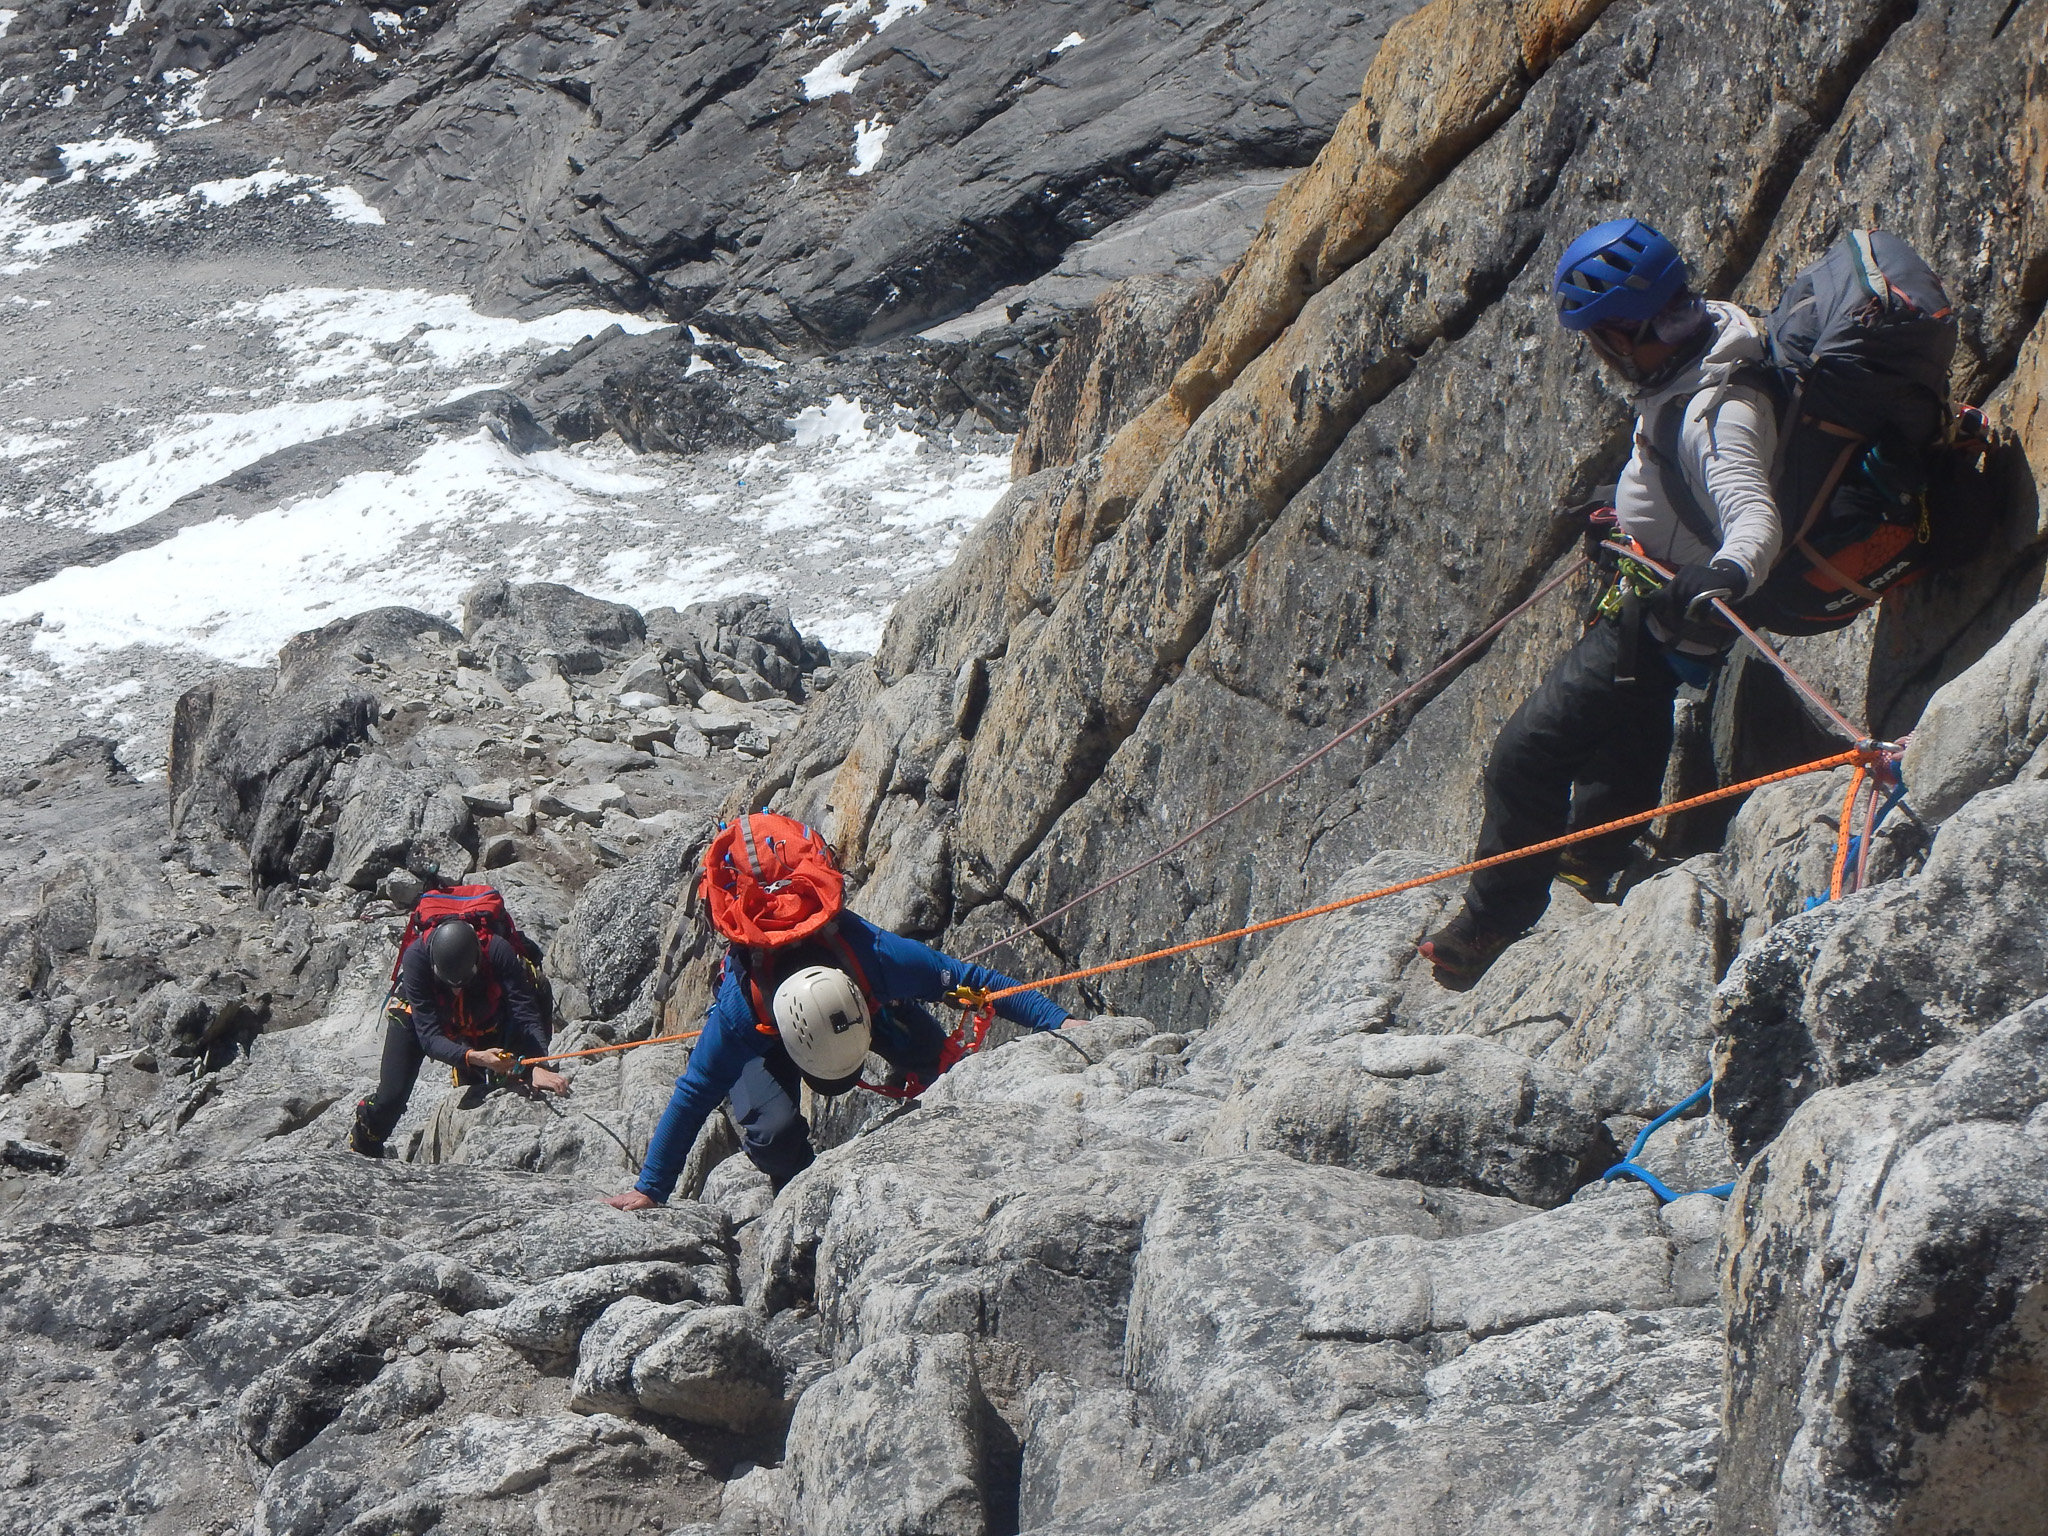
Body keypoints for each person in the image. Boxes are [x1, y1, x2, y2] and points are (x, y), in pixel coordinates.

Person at [1419, 218, 1780, 984]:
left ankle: (1492, 922)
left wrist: (1721, 575)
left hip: (1666, 610)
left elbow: (1751, 514)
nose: (1598, 355)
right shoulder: (1701, 349)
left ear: (1625, 330)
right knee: (1628, 715)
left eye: (1597, 337)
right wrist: (1628, 518)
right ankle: (1593, 858)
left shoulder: (1720, 409)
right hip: (1653, 595)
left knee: (1527, 754)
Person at [603, 905, 1070, 1208]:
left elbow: (971, 979)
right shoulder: (738, 1019)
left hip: (860, 1002)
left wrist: (1058, 1021)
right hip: (773, 1035)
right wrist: (652, 1187)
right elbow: (694, 1093)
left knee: (936, 1057)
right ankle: (797, 1195)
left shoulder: (879, 959)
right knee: (775, 1135)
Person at [349, 917, 569, 1156]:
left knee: (493, 1079)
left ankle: (469, 1070)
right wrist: (474, 1056)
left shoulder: (498, 952)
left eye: (463, 984)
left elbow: (525, 1014)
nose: (457, 990)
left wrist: (535, 1064)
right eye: (451, 985)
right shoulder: (416, 959)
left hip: (486, 1012)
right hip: (419, 1014)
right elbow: (429, 1037)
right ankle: (364, 1143)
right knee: (391, 1098)